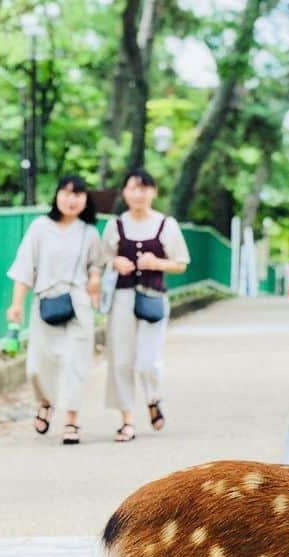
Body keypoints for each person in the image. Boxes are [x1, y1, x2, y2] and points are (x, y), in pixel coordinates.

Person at [6, 175, 102, 446]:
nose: (71, 200)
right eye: (66, 193)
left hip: (78, 304)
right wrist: (16, 304)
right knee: (38, 365)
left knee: (75, 363)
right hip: (45, 302)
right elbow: (25, 267)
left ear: (85, 200)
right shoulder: (39, 228)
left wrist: (95, 277)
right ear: (57, 195)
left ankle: (71, 420)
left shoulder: (89, 233)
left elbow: (96, 264)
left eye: (78, 195)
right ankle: (45, 403)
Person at [99, 168, 190, 442]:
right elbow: (103, 259)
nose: (138, 194)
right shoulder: (115, 225)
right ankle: (126, 420)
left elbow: (181, 263)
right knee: (121, 360)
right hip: (122, 298)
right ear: (124, 193)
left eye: (144, 188)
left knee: (148, 361)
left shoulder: (167, 225)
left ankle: (153, 397)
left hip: (152, 297)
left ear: (153, 192)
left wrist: (157, 263)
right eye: (132, 189)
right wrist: (115, 263)